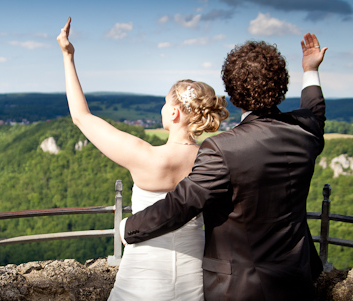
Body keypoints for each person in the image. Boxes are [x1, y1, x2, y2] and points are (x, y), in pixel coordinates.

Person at [121, 33, 328, 300]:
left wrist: (128, 228)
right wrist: (311, 71)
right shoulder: (306, 130)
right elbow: (315, 110)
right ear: (281, 85)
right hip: (298, 279)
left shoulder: (223, 148)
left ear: (232, 93)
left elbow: (181, 205)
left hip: (240, 289)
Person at [57, 18, 229, 300]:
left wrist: (68, 55)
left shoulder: (145, 156)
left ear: (174, 113)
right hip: (192, 278)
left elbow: (81, 117)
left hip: (142, 281)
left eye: (165, 103)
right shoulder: (214, 160)